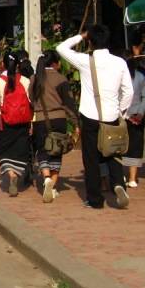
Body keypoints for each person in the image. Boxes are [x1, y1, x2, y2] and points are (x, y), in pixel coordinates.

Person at [57, 24, 133, 210]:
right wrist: (121, 111)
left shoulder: (85, 60)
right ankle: (118, 185)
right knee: (113, 153)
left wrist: (81, 36)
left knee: (91, 159)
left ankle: (95, 200)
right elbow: (129, 92)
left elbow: (60, 48)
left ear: (90, 41)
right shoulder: (120, 62)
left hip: (90, 116)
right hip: (112, 116)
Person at [29, 49, 77, 203]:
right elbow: (68, 103)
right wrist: (75, 123)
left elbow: (31, 98)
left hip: (40, 120)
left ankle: (46, 178)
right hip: (59, 119)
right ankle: (53, 186)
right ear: (55, 63)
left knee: (42, 150)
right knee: (56, 150)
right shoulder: (60, 78)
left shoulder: (34, 78)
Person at [0, 51, 33, 196]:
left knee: (3, 150)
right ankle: (18, 173)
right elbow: (31, 101)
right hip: (22, 123)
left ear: (3, 64)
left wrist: (0, 113)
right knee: (21, 150)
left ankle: (11, 174)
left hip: (5, 123)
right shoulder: (25, 81)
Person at [122, 36, 145, 189]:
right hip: (136, 116)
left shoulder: (117, 77)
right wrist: (140, 113)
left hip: (120, 116)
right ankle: (133, 178)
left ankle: (119, 175)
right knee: (135, 146)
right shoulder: (139, 76)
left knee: (118, 145)